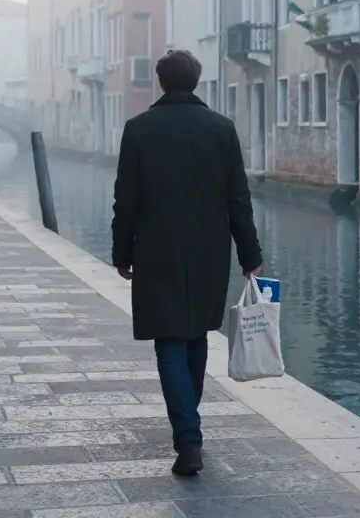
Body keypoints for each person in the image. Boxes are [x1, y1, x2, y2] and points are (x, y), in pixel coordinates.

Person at [111, 49, 261, 477]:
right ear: (196, 81)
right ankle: (189, 431)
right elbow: (238, 201)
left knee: (171, 342)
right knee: (196, 336)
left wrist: (122, 253)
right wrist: (250, 256)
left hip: (157, 250)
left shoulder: (139, 129)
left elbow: (127, 199)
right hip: (210, 251)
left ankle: (188, 439)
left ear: (161, 82)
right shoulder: (222, 129)